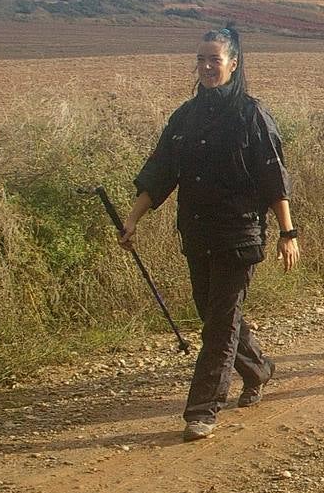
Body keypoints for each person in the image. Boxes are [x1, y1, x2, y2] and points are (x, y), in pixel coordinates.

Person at [121, 27, 298, 443]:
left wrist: (288, 232)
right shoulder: (185, 116)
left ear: (233, 64)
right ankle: (258, 369)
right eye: (200, 60)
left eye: (214, 60)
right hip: (197, 234)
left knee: (219, 325)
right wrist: (132, 218)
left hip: (239, 234)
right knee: (214, 313)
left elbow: (274, 179)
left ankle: (202, 409)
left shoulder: (251, 114)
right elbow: (161, 171)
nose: (205, 67)